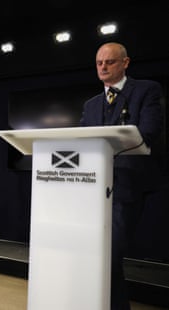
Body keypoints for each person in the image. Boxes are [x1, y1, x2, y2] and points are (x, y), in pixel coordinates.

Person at [80, 42, 163, 310]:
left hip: (126, 186)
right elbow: (81, 141)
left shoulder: (146, 90)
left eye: (110, 62)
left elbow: (148, 132)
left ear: (125, 63)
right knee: (99, 255)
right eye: (99, 63)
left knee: (110, 254)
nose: (103, 67)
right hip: (91, 188)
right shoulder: (91, 105)